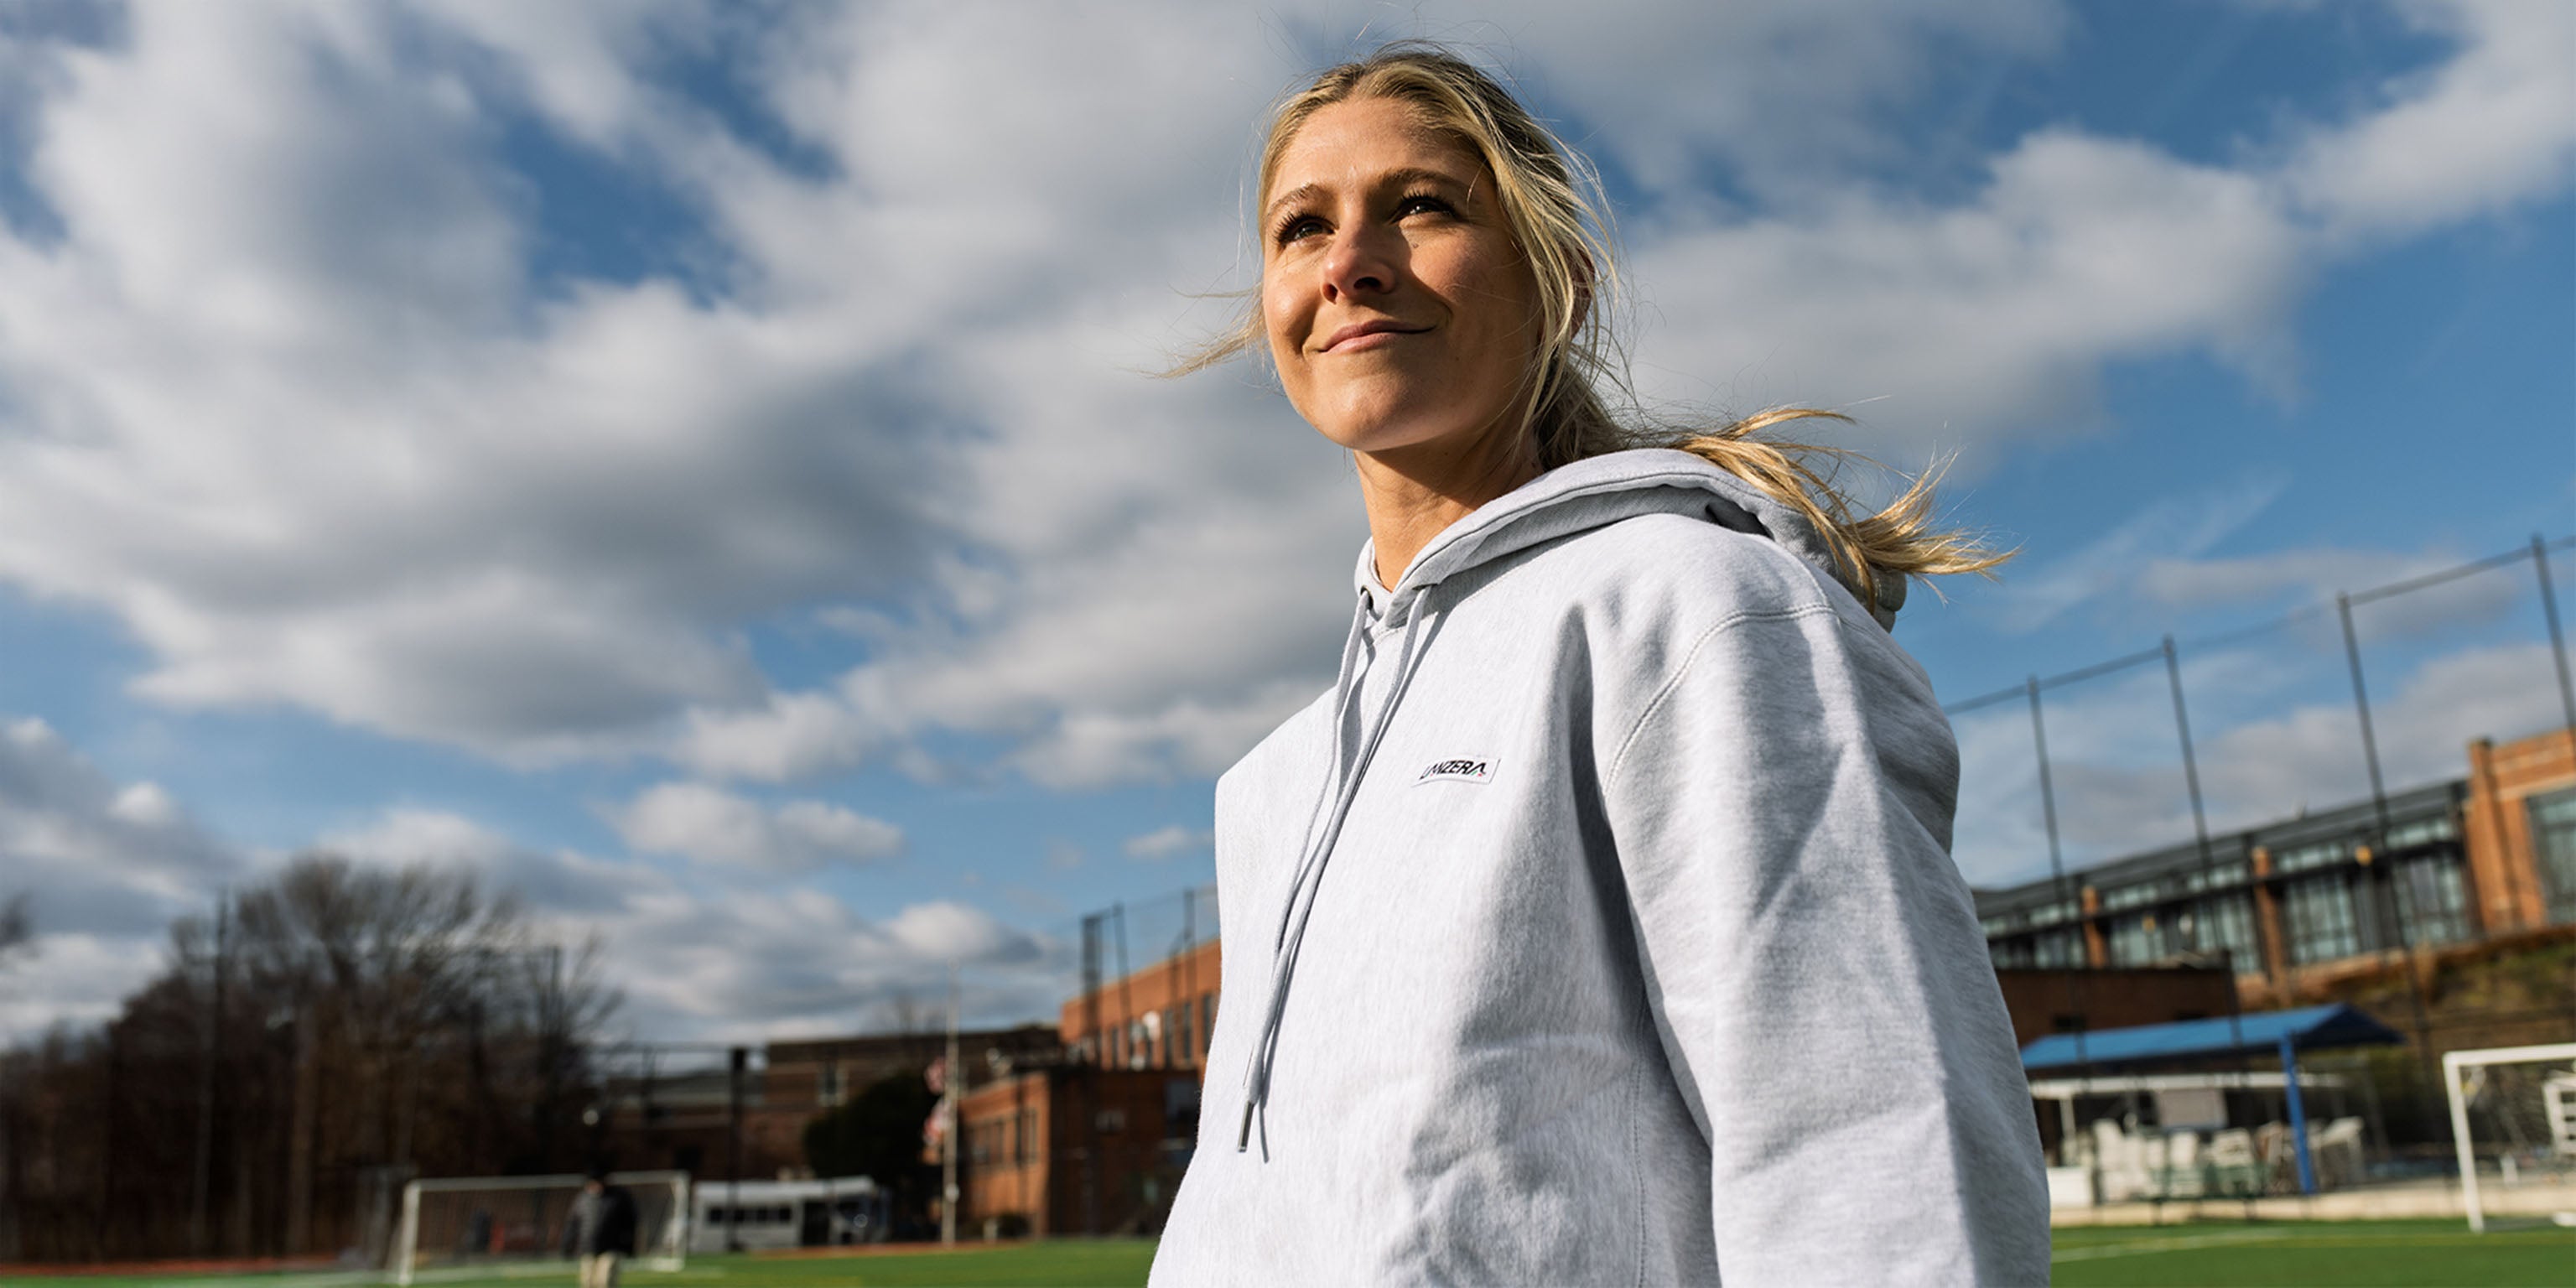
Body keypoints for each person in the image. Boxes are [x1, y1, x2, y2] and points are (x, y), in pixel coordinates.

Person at [1150, 43, 2050, 1285]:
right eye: (1303, 227)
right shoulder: (1270, 788)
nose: (1351, 261)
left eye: (1421, 207)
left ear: (1556, 281)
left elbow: (1874, 1146)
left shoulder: (1695, 611)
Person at [561, 1171, 638, 1288]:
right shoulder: (582, 1199)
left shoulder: (618, 1198)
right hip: (588, 1247)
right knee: (588, 1283)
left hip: (611, 1247)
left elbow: (630, 1222)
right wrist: (567, 1243)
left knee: (605, 1281)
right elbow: (573, 1223)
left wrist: (629, 1243)